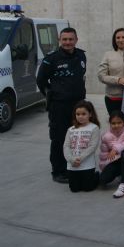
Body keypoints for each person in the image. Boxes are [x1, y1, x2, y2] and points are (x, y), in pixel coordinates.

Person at [37, 27, 87, 184]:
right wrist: (52, 95)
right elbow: (41, 80)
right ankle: (58, 171)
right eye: (64, 39)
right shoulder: (51, 59)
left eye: (71, 39)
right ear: (60, 40)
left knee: (77, 137)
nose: (67, 42)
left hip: (78, 106)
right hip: (59, 106)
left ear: (76, 40)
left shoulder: (81, 55)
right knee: (59, 138)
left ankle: (74, 165)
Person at [63, 100, 100, 193]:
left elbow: (93, 146)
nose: (80, 116)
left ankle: (96, 175)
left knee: (88, 188)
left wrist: (80, 158)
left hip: (87, 164)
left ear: (90, 114)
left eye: (84, 114)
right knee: (74, 189)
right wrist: (71, 159)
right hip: (72, 164)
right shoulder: (70, 129)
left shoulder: (94, 128)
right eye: (78, 114)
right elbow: (66, 146)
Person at [98, 111, 124, 198]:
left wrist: (116, 149)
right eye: (113, 123)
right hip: (117, 161)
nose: (116, 125)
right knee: (103, 179)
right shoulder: (106, 136)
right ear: (110, 123)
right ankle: (120, 173)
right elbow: (104, 154)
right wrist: (105, 167)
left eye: (119, 123)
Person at [97, 28, 124, 115]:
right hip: (113, 98)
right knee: (116, 125)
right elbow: (101, 75)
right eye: (118, 38)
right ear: (114, 40)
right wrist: (118, 80)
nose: (120, 40)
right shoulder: (108, 55)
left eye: (123, 37)